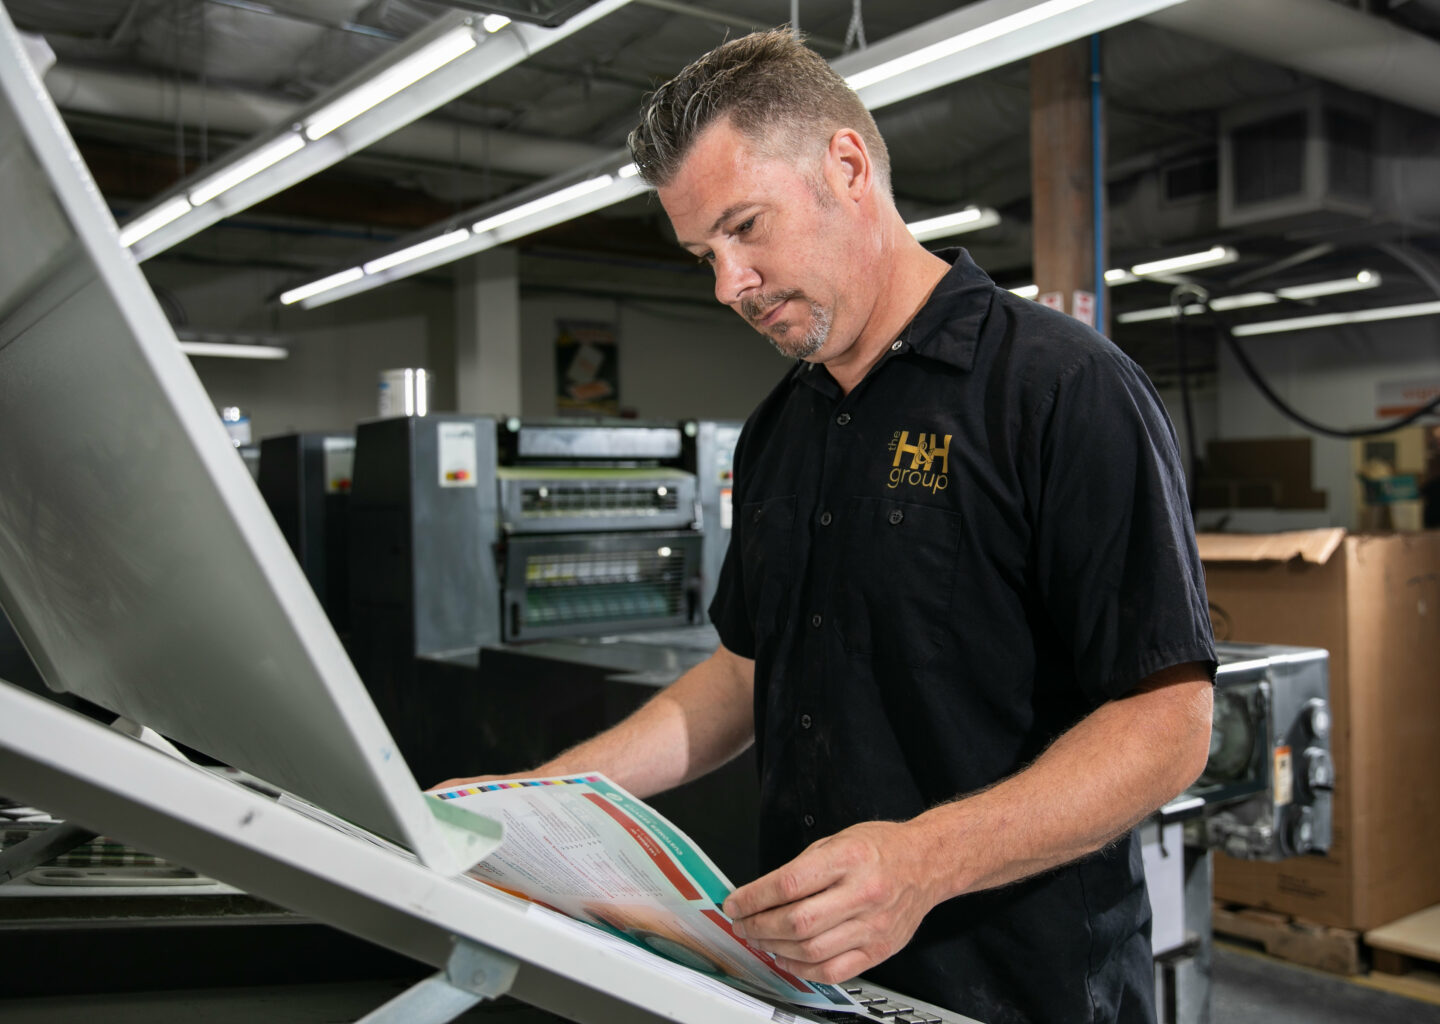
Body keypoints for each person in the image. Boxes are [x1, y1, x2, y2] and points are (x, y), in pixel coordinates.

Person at [444, 29, 1215, 1024]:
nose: (729, 284)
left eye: (747, 228)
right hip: (811, 986)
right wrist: (535, 801)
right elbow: (744, 672)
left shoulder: (1061, 389)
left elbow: (1169, 724)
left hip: (1021, 989)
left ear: (847, 166)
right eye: (703, 255)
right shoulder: (779, 427)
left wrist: (920, 863)